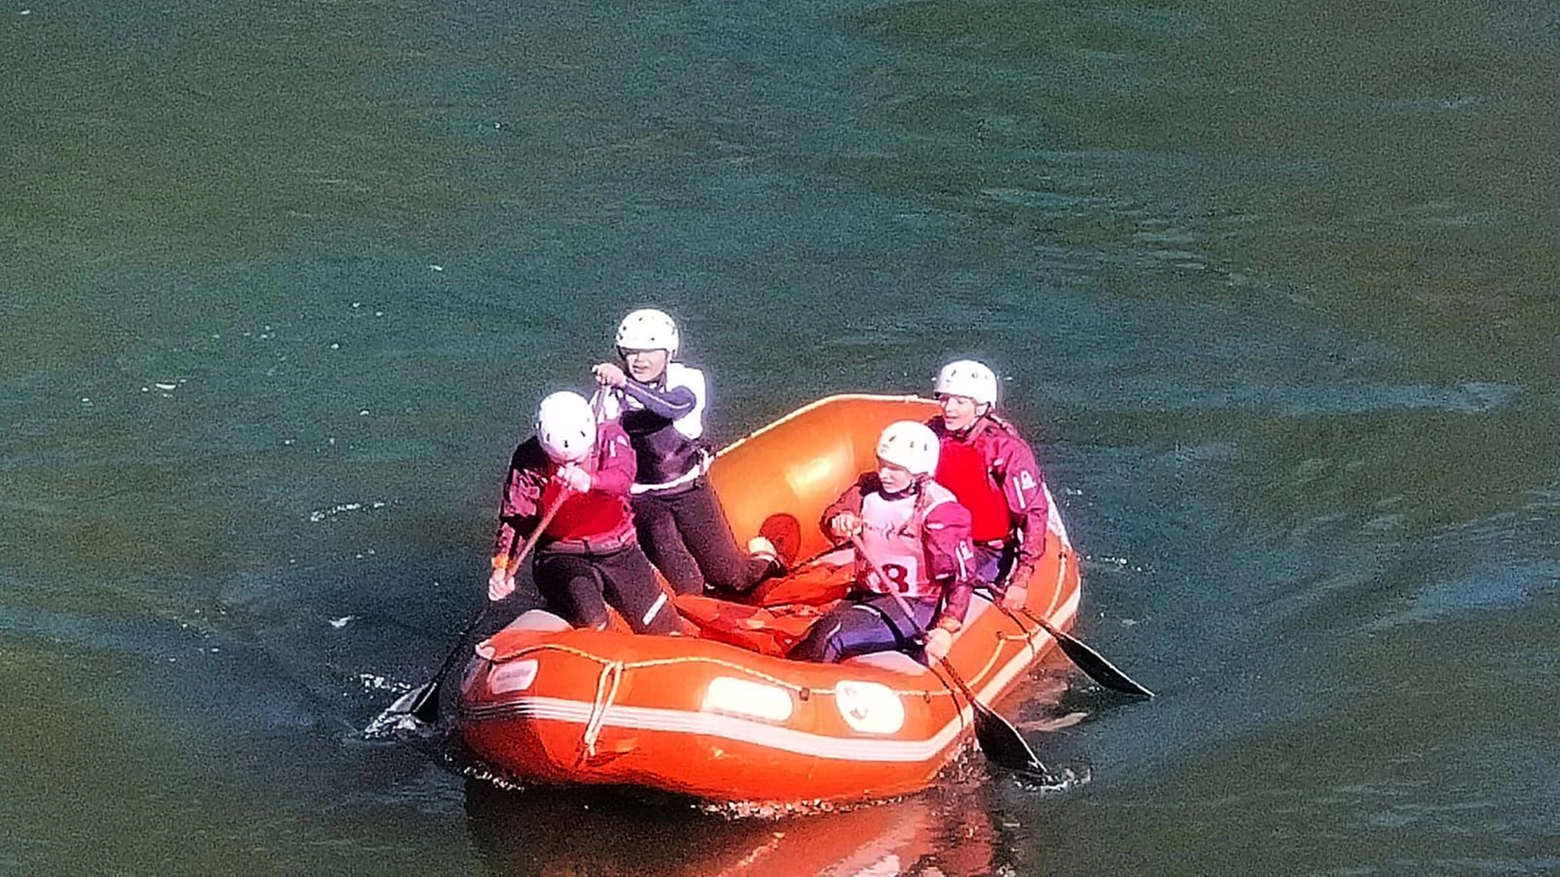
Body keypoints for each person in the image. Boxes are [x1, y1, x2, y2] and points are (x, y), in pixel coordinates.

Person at [590, 308, 780, 596]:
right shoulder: (607, 397)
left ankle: (765, 559)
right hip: (643, 498)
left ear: (668, 352)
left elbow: (672, 408)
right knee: (686, 585)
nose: (640, 360)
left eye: (650, 351)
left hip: (688, 489)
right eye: (631, 352)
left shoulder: (687, 380)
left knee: (731, 576)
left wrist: (625, 384)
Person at [487, 390, 678, 635]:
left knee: (660, 624)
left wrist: (590, 481)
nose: (568, 466)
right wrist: (503, 566)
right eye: (559, 460)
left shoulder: (610, 437)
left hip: (618, 549)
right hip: (560, 554)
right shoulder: (529, 457)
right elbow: (516, 516)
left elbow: (622, 477)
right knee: (593, 619)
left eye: (576, 458)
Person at [789, 421, 975, 664]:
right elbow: (835, 513)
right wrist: (839, 519)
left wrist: (947, 627)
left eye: (894, 469)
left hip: (913, 604)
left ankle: (807, 695)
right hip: (866, 592)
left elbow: (961, 576)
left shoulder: (939, 510)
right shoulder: (867, 489)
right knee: (807, 637)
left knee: (831, 634)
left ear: (918, 471)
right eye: (881, 464)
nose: (883, 474)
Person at [927, 359, 1049, 611]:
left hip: (987, 550)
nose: (948, 408)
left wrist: (1021, 578)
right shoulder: (930, 434)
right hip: (938, 536)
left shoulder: (1005, 449)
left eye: (960, 402)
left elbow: (1033, 514)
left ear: (982, 406)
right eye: (944, 399)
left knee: (936, 577)